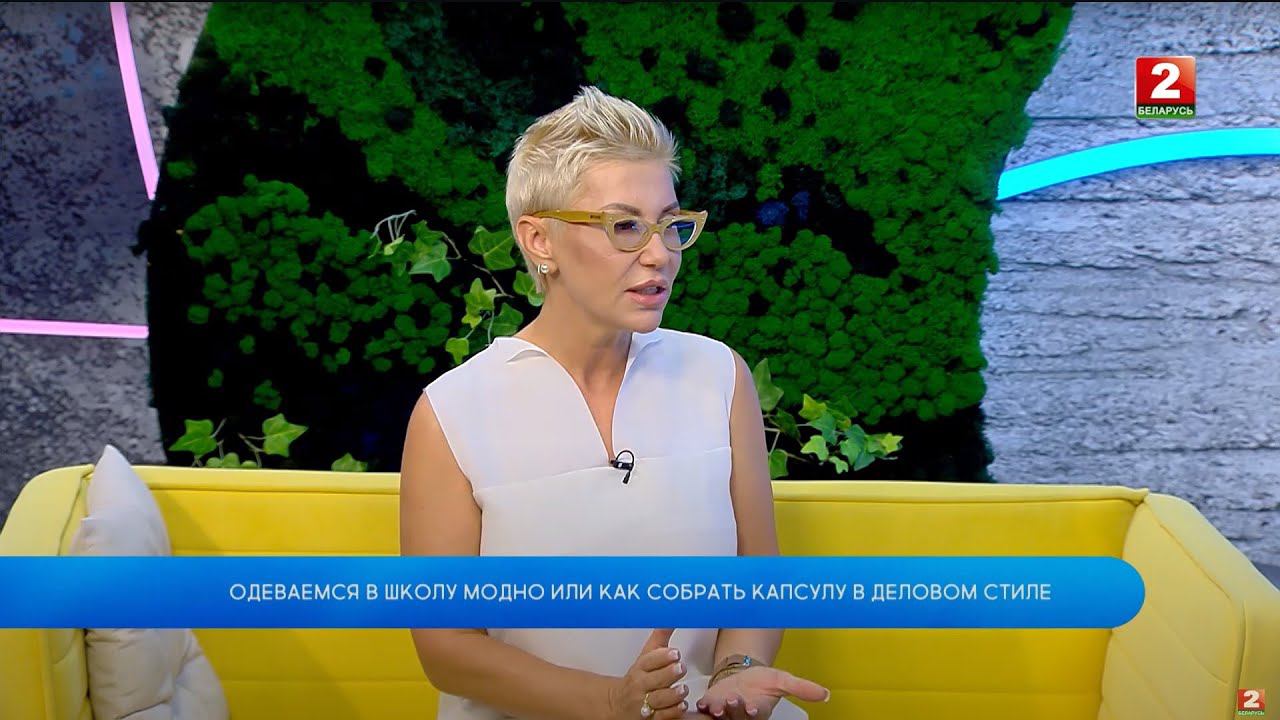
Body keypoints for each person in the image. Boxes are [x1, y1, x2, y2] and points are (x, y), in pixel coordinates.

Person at [400, 86, 831, 720]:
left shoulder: (720, 375)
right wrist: (611, 701)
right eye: (624, 226)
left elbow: (756, 577)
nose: (660, 254)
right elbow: (446, 647)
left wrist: (736, 675)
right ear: (539, 240)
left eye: (670, 225)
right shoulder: (451, 412)